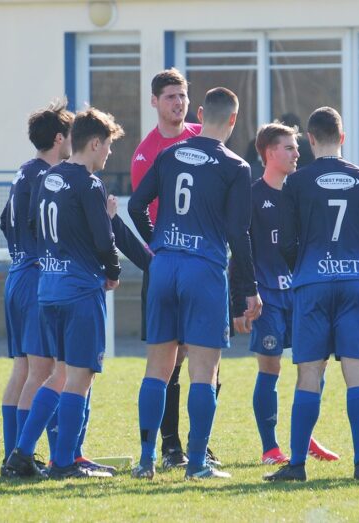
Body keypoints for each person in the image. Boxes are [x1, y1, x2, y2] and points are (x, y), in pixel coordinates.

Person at [129, 87, 261, 480]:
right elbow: (240, 234)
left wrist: (157, 243)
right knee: (204, 372)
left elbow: (136, 205)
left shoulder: (169, 154)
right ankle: (198, 465)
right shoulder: (236, 166)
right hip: (203, 269)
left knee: (157, 369)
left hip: (165, 265)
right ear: (233, 120)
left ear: (200, 114)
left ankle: (146, 461)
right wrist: (249, 289)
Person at [5, 107, 124, 479]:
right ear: (93, 143)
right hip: (79, 290)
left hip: (49, 289)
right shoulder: (89, 184)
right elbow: (103, 240)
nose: (108, 154)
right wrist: (113, 270)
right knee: (80, 375)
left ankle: (21, 454)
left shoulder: (48, 178)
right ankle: (65, 462)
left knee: (56, 374)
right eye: (107, 146)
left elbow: (33, 228)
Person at [264, 106, 359, 482]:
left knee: (309, 374)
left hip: (312, 282)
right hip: (354, 280)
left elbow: (284, 241)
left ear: (309, 139)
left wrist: (304, 263)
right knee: (357, 374)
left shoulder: (295, 183)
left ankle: (297, 464)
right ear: (342, 138)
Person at [230, 123, 339, 465]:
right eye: (290, 148)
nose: (297, 153)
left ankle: (302, 439)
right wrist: (240, 299)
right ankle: (270, 447)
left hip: (303, 294)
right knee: (271, 368)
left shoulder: (301, 192)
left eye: (296, 147)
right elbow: (239, 251)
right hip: (267, 299)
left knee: (314, 368)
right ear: (269, 153)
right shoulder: (251, 195)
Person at [130, 68, 214, 470]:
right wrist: (157, 249)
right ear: (154, 102)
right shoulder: (146, 154)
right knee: (168, 361)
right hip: (166, 266)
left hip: (204, 265)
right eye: (169, 97)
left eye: (181, 96)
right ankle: (169, 447)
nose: (177, 103)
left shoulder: (202, 137)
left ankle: (201, 445)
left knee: (206, 358)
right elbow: (140, 209)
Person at [0, 100, 73, 476]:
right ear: (60, 139)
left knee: (22, 369)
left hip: (15, 274)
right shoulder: (47, 177)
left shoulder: (22, 173)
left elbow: (4, 220)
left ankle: (12, 453)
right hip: (34, 277)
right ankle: (20, 459)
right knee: (41, 373)